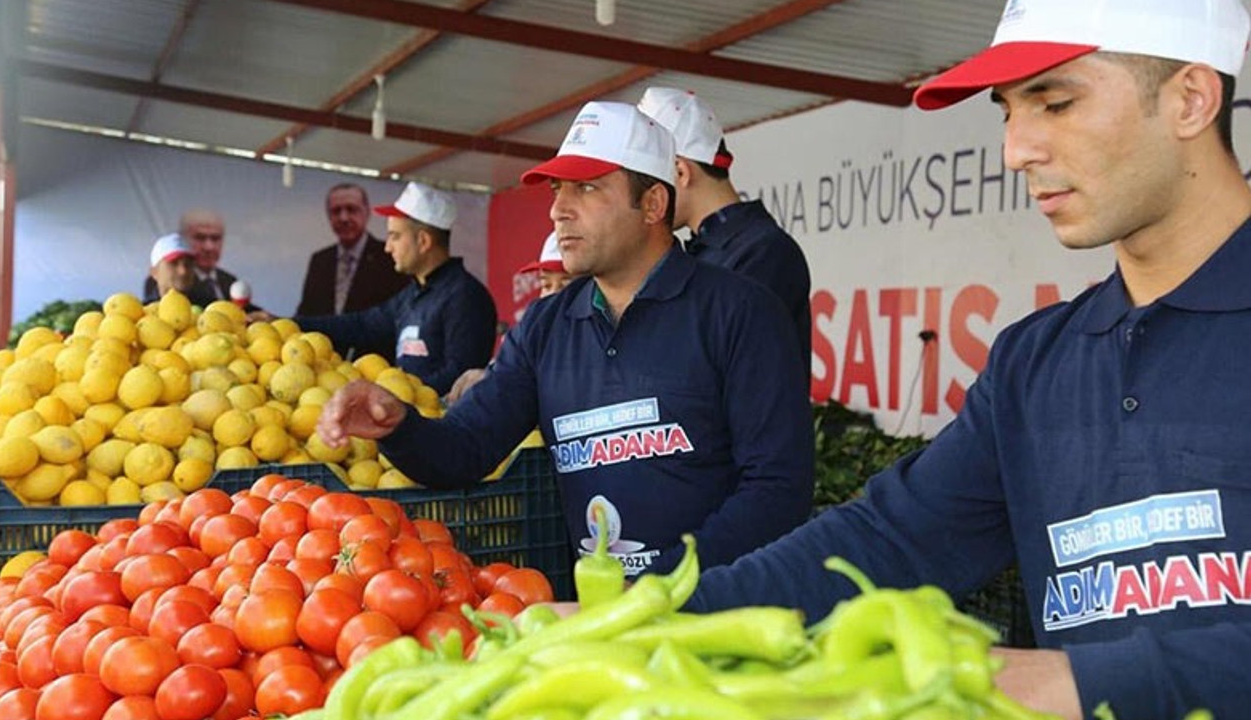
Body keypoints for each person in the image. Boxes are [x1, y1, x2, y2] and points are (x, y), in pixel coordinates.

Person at [685, 1, 1251, 718]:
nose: (1017, 150)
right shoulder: (1033, 362)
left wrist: (1078, 684)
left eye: (1055, 102)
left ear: (1191, 100)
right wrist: (661, 619)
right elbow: (887, 541)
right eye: (1008, 113)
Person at [317, 101, 814, 579]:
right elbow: (464, 449)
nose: (558, 210)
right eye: (557, 189)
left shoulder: (741, 311)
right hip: (606, 629)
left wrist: (660, 591)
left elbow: (777, 490)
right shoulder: (544, 327)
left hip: (723, 626)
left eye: (587, 189)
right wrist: (397, 425)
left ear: (653, 203)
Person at [638, 87, 812, 374]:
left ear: (681, 172)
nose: (643, 198)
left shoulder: (763, 251)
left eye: (646, 182)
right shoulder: (704, 250)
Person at [296, 182, 497, 395]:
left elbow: (460, 377)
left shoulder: (466, 297)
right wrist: (286, 323)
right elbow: (360, 325)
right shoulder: (412, 295)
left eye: (395, 236)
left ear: (423, 241)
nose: (387, 247)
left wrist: (394, 396)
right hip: (405, 417)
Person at [444, 231, 579, 405]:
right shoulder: (530, 335)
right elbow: (507, 371)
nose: (552, 295)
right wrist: (490, 377)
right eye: (546, 285)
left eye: (565, 285)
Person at [296, 183, 410, 317]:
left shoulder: (390, 257)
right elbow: (306, 312)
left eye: (351, 209)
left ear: (367, 213)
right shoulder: (320, 261)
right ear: (328, 216)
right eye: (336, 211)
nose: (343, 218)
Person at [143, 232, 209, 304]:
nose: (183, 271)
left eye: (188, 264)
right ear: (154, 272)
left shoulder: (212, 310)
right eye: (173, 263)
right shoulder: (140, 313)